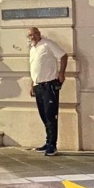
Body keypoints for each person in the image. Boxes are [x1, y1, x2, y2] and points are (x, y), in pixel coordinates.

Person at [27, 27, 68, 156]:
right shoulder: (32, 49)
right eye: (30, 35)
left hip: (49, 85)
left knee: (51, 115)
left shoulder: (47, 44)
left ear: (39, 34)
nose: (33, 37)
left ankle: (52, 145)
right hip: (38, 86)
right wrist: (32, 84)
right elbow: (34, 68)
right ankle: (48, 141)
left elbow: (63, 56)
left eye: (35, 34)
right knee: (43, 115)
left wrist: (61, 73)